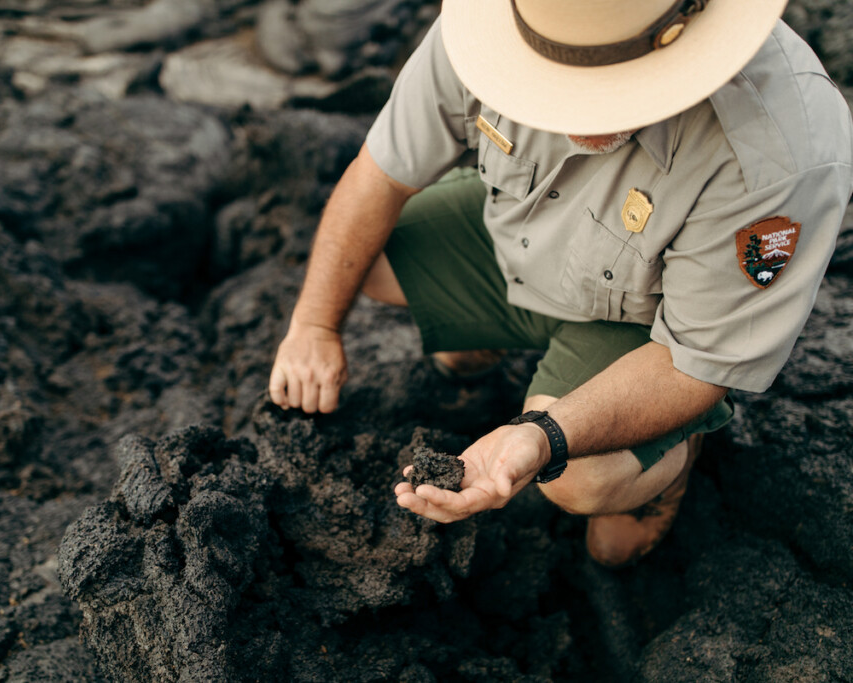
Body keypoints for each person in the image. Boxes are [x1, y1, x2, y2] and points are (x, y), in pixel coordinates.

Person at [267, 0, 853, 566]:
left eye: (605, 91)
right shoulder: (494, 28)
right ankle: (500, 336)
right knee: (367, 259)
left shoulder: (777, 153)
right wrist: (313, 325)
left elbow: (693, 363)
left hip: (645, 332)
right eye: (553, 84)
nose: (574, 117)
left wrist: (541, 437)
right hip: (524, 247)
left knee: (583, 483)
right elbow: (378, 177)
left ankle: (679, 448)